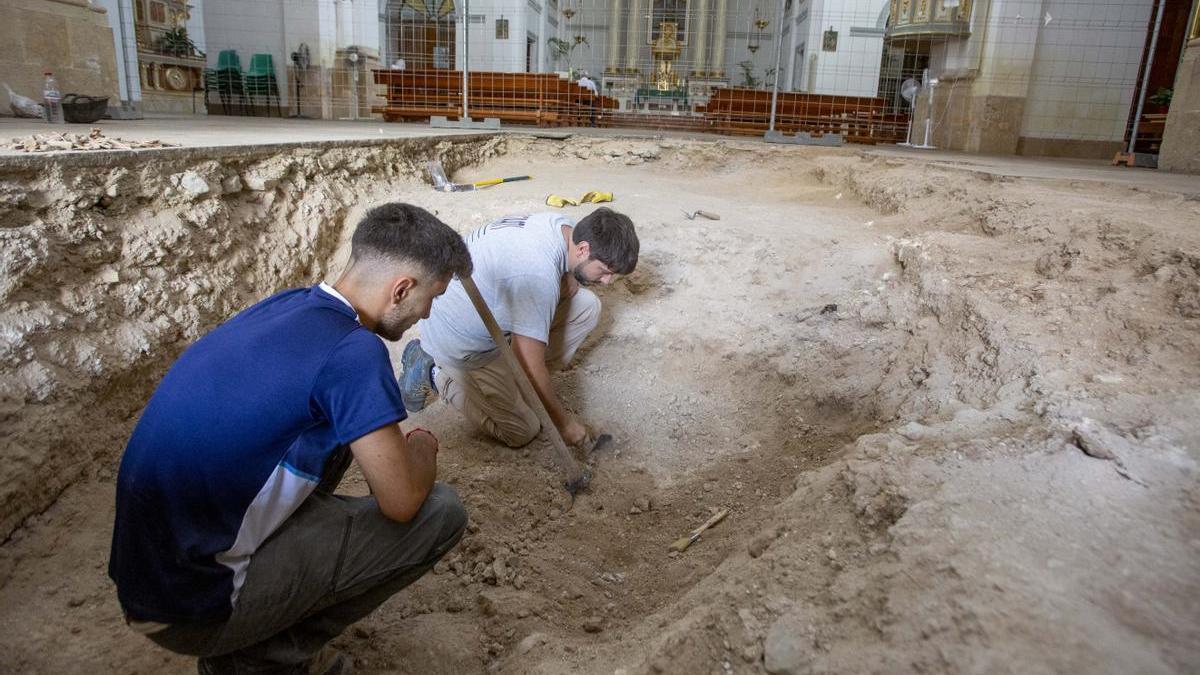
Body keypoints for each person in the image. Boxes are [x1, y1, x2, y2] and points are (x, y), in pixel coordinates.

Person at [108, 203, 473, 675]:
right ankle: (263, 657)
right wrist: (422, 443)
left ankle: (259, 612)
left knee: (341, 430)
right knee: (441, 513)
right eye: (432, 297)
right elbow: (401, 502)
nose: (426, 313)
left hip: (148, 575)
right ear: (401, 289)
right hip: (190, 606)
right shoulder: (355, 351)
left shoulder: (291, 305)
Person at [399, 208, 638, 450]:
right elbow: (530, 365)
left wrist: (571, 277)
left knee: (586, 307)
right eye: (605, 272)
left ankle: (516, 386)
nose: (608, 281)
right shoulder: (536, 272)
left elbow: (557, 279)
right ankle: (434, 373)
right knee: (523, 429)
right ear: (583, 249)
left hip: (493, 316)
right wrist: (565, 426)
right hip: (461, 341)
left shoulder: (566, 229)